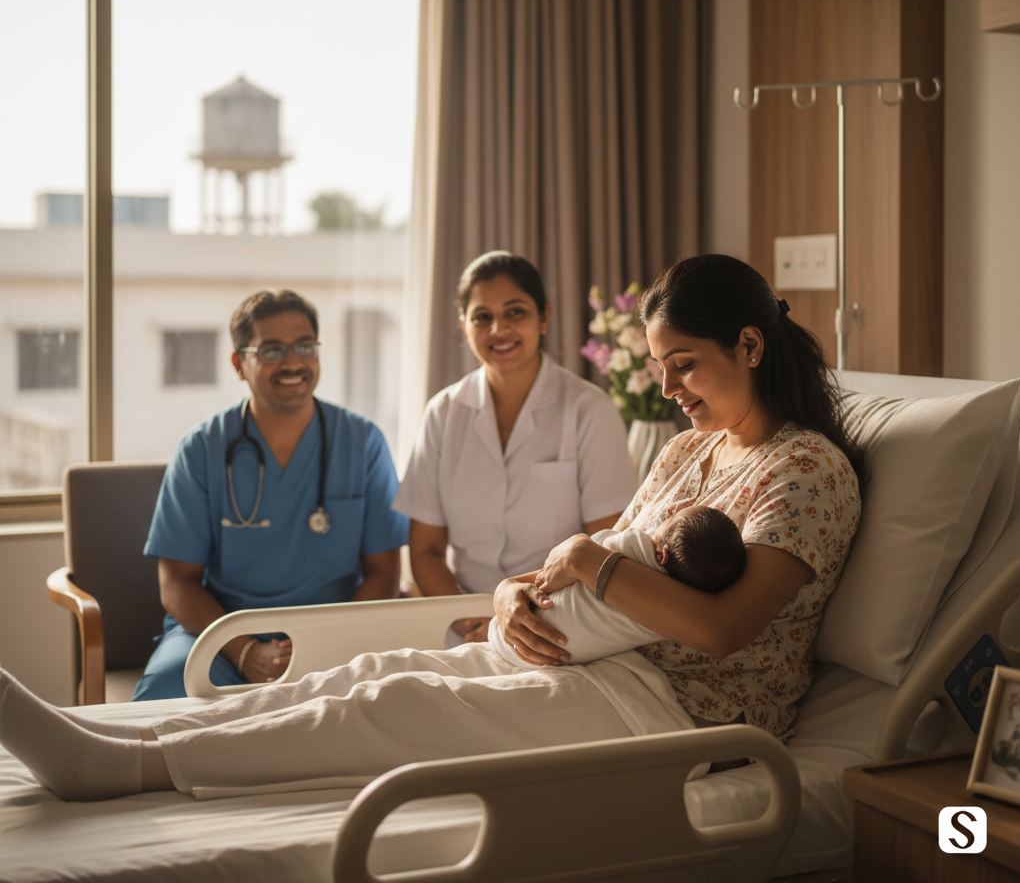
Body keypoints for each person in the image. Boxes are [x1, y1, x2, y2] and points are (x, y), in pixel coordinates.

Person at [0, 254, 863, 801]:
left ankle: (124, 769)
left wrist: (581, 561)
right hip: (589, 654)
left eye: (684, 365)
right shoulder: (688, 452)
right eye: (659, 367)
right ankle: (134, 733)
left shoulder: (806, 470)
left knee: (391, 710)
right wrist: (517, 594)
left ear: (750, 347)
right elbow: (602, 562)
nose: (668, 388)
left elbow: (720, 626)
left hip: (678, 711)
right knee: (375, 671)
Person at [131, 289, 409, 701]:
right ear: (238, 364)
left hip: (339, 634)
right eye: (272, 350)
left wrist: (325, 644)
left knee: (389, 704)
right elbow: (176, 583)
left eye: (305, 346)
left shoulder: (362, 442)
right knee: (167, 693)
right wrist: (244, 651)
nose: (293, 362)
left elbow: (384, 573)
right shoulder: (202, 449)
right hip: (222, 637)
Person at [394, 251, 635, 643]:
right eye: (482, 317)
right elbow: (426, 550)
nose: (498, 329)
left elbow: (602, 547)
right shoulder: (442, 413)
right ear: (463, 325)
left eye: (515, 312)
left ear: (544, 317)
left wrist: (523, 617)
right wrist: (469, 619)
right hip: (463, 627)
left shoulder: (589, 411)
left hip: (557, 622)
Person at [487, 504, 747, 668]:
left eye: (672, 518)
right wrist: (506, 589)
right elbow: (567, 566)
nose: (667, 515)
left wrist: (581, 552)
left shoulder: (637, 549)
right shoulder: (666, 619)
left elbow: (590, 551)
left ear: (662, 555)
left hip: (523, 648)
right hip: (542, 653)